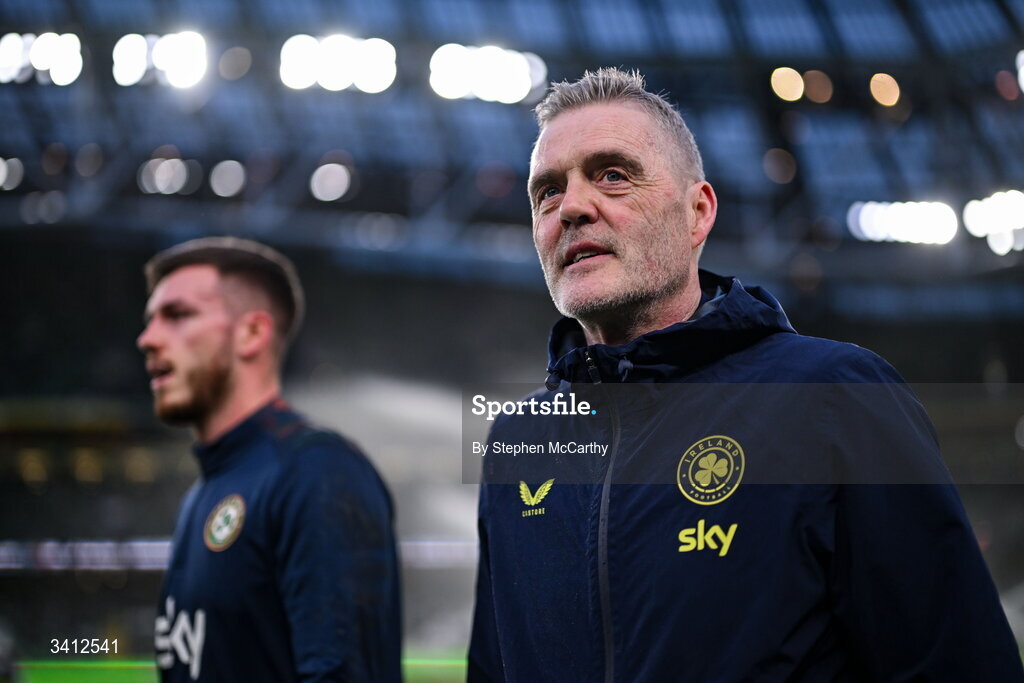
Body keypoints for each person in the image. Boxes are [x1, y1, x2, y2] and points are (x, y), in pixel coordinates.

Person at [468, 68, 1023, 681]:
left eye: (613, 175)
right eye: (547, 192)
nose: (571, 207)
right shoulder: (517, 442)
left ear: (698, 213)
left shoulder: (832, 394)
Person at [137, 237, 402, 682]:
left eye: (178, 315)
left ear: (252, 333)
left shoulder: (317, 472)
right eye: (149, 321)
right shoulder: (200, 497)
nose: (147, 339)